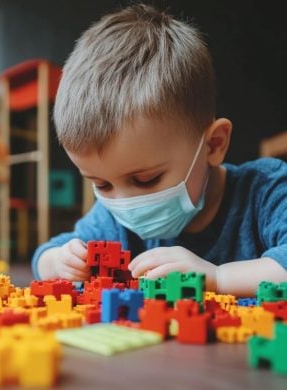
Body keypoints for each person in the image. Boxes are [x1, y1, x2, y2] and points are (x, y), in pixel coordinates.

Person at [31, 4, 287, 296]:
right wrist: (62, 262)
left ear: (213, 145)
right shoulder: (112, 217)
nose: (126, 203)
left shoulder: (265, 191)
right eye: (101, 184)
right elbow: (44, 256)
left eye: (146, 179)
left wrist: (218, 277)